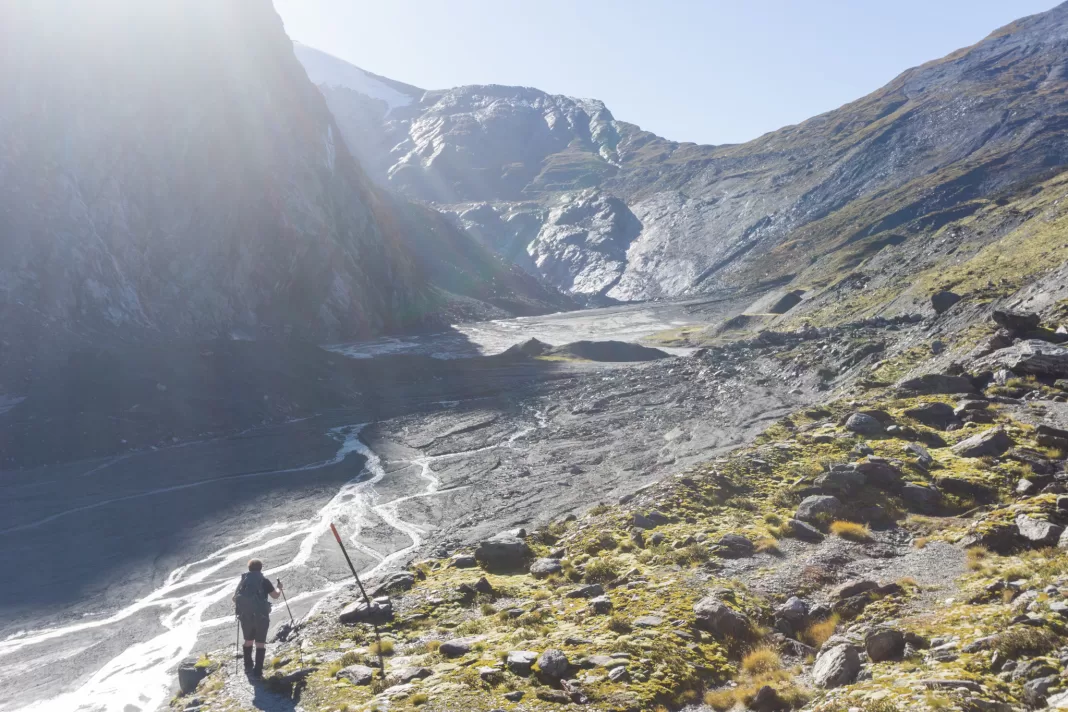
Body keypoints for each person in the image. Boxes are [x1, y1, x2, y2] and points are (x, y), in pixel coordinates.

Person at [232, 559, 283, 678]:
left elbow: (235, 599)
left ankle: (248, 666)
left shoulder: (243, 581)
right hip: (261, 616)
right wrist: (279, 588)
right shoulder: (264, 581)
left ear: (249, 568)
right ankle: (258, 671)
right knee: (260, 643)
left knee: (248, 641)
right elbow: (275, 596)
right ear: (261, 568)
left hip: (246, 617)